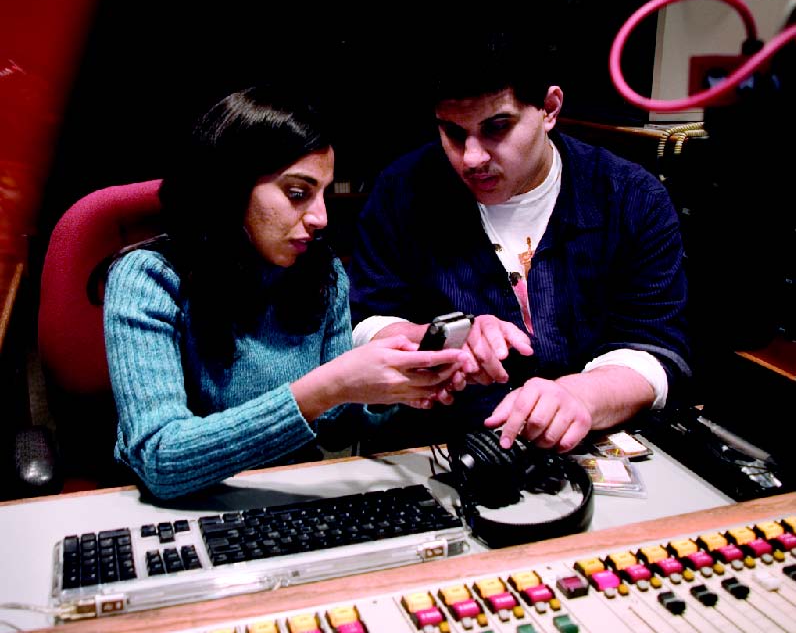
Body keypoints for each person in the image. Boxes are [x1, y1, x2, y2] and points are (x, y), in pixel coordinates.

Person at [103, 86, 468, 499]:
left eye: (323, 194)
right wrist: (328, 387)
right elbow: (160, 460)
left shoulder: (321, 271)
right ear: (230, 186)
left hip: (286, 497)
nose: (321, 217)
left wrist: (403, 390)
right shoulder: (148, 278)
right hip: (181, 510)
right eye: (298, 193)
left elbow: (339, 425)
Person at [349, 32, 690, 454]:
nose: (472, 158)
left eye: (497, 128)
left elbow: (656, 349)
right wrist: (436, 339)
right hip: (436, 448)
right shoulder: (402, 192)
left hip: (593, 447)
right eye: (453, 134)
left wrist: (582, 395)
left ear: (549, 109)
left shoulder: (629, 197)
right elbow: (367, 323)